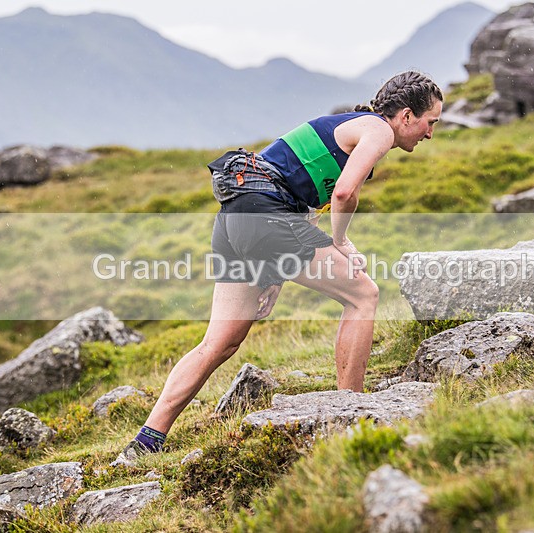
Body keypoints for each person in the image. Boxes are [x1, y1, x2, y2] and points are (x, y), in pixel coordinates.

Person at [112, 70, 442, 465]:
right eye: (430, 123)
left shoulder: (348, 127)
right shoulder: (378, 131)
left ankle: (147, 440)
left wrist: (274, 277)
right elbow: (343, 192)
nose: (429, 134)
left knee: (220, 342)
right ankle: (350, 411)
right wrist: (340, 243)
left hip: (236, 218)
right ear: (406, 116)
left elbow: (296, 203)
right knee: (363, 295)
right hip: (264, 219)